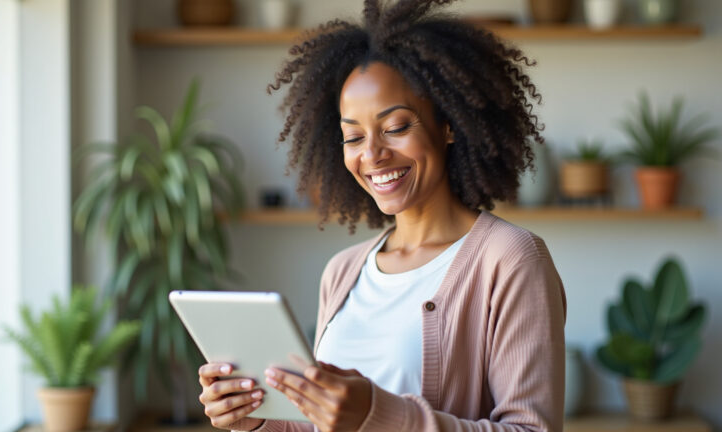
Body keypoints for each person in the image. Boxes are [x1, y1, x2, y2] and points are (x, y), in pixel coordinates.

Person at [198, 0, 567, 430]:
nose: (371, 155)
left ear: (449, 124)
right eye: (353, 136)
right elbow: (320, 423)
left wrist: (377, 415)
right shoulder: (343, 272)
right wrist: (254, 419)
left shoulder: (510, 259)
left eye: (395, 128)